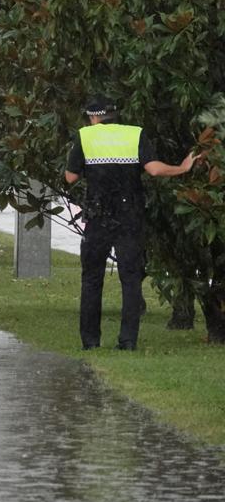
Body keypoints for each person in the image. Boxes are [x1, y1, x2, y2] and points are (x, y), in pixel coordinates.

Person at [65, 97, 195, 351]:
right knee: (131, 279)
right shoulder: (135, 135)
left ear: (93, 118)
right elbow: (155, 170)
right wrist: (182, 168)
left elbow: (71, 177)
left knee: (92, 278)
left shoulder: (86, 137)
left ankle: (90, 342)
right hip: (130, 214)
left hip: (98, 215)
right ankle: (127, 341)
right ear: (114, 116)